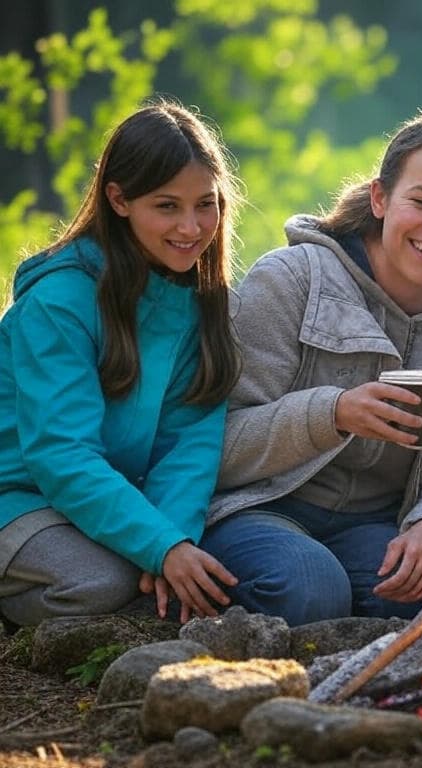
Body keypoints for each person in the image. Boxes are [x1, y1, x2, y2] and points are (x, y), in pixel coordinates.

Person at [202, 106, 422, 627]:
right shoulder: (291, 281)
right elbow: (217, 444)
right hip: (259, 509)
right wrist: (334, 412)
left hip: (373, 525)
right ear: (380, 198)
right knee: (309, 589)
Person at [0, 102, 243, 629]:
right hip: (20, 496)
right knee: (103, 583)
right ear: (119, 199)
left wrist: (171, 538)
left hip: (105, 499)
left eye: (206, 204)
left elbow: (190, 441)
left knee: (166, 580)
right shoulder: (58, 303)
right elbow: (59, 453)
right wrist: (157, 546)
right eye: (167, 206)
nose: (191, 226)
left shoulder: (197, 299)